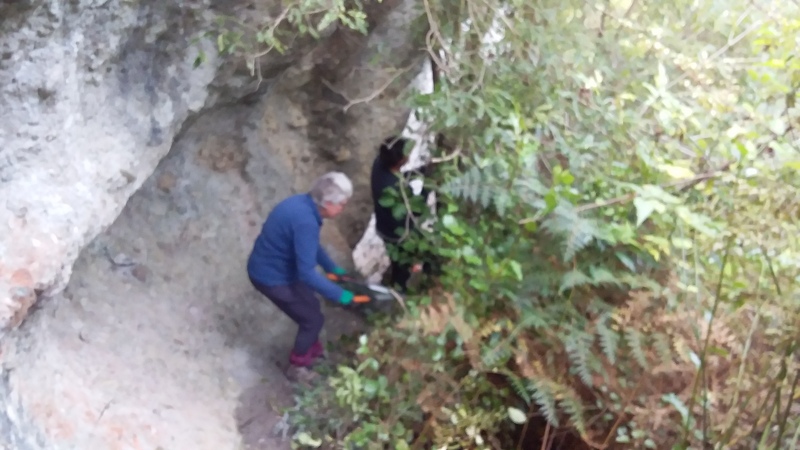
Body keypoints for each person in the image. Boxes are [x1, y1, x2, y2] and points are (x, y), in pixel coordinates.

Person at [246, 172, 368, 381]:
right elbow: (307, 273)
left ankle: (311, 348)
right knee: (312, 320)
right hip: (271, 277)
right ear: (328, 204)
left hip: (276, 268)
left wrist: (331, 269)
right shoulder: (306, 222)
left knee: (311, 305)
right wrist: (341, 295)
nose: (343, 208)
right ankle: (297, 366)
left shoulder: (301, 204)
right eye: (342, 204)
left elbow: (310, 245)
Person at [370, 136, 435, 292]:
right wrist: (426, 187)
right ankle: (398, 291)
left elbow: (400, 176)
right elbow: (416, 210)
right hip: (398, 233)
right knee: (403, 265)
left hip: (383, 225)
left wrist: (421, 171)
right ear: (400, 161)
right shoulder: (396, 190)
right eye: (407, 153)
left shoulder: (379, 164)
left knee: (397, 261)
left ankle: (396, 280)